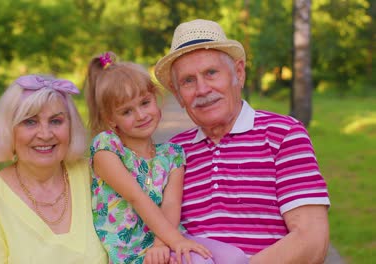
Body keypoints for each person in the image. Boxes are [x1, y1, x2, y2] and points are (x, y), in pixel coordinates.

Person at [154, 19, 331, 263]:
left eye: (211, 73)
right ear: (178, 95)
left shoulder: (284, 135)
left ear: (238, 72)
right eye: (188, 81)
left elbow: (312, 239)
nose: (202, 89)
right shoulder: (172, 152)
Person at [84, 52, 248, 264]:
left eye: (145, 103)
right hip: (133, 251)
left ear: (156, 98)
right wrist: (173, 243)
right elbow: (137, 198)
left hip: (166, 237)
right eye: (126, 112)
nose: (141, 115)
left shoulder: (171, 154)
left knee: (235, 258)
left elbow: (171, 204)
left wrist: (164, 243)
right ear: (111, 120)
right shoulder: (107, 148)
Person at [0, 74, 108, 263]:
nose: (45, 134)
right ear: (8, 129)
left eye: (56, 121)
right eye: (30, 122)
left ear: (71, 127)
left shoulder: (97, 174)